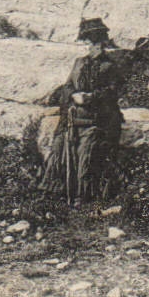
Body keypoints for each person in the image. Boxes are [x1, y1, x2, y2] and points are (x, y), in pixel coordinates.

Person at [41, 19, 124, 205]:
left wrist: (90, 97)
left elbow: (112, 92)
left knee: (85, 154)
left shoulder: (110, 67)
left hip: (97, 123)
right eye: (89, 43)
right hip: (73, 119)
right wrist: (73, 95)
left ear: (103, 43)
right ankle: (54, 192)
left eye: (97, 43)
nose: (94, 47)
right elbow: (67, 86)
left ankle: (82, 196)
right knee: (59, 147)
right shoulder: (78, 63)